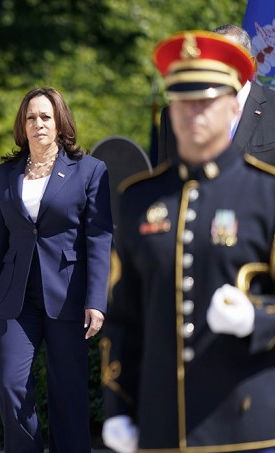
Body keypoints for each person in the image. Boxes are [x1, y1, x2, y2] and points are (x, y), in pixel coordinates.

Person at [102, 31, 275, 452]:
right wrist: (118, 409)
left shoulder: (265, 194)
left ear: (234, 104)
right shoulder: (139, 199)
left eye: (206, 100)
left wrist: (258, 320)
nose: (192, 112)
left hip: (247, 429)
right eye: (182, 100)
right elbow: (124, 317)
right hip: (162, 426)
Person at [0, 87, 113, 453]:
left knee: (67, 391)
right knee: (11, 384)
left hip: (67, 292)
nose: (38, 123)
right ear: (22, 126)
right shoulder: (4, 175)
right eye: (31, 117)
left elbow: (99, 240)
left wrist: (96, 300)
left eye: (45, 117)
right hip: (15, 298)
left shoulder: (90, 171)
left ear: (59, 123)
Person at [157, 24, 275, 166]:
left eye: (229, 58)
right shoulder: (175, 117)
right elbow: (167, 179)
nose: (221, 67)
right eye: (215, 59)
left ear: (251, 63)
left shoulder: (272, 108)